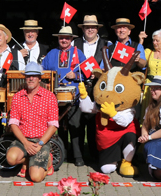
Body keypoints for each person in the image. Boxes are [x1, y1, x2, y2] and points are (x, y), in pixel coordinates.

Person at [5, 62, 59, 182]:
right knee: (10, 159)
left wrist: (39, 144)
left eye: (34, 76)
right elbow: (13, 123)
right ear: (25, 78)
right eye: (28, 76)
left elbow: (53, 125)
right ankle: (29, 161)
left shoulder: (49, 97)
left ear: (39, 78)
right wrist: (25, 143)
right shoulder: (18, 97)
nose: (31, 78)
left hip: (41, 140)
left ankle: (48, 165)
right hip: (23, 140)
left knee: (35, 177)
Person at [42, 26, 86, 165]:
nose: (64, 40)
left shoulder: (78, 53)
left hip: (74, 96)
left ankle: (78, 156)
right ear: (58, 39)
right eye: (61, 38)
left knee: (75, 125)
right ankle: (61, 154)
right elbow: (42, 71)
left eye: (67, 38)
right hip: (55, 96)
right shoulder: (51, 54)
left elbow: (87, 73)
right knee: (58, 125)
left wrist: (76, 75)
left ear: (71, 39)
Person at [72, 15, 111, 164]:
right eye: (87, 27)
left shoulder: (106, 44)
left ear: (97, 29)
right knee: (77, 122)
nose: (90, 30)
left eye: (93, 27)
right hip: (78, 86)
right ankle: (78, 156)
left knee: (96, 123)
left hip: (97, 88)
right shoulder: (74, 44)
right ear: (83, 29)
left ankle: (95, 155)